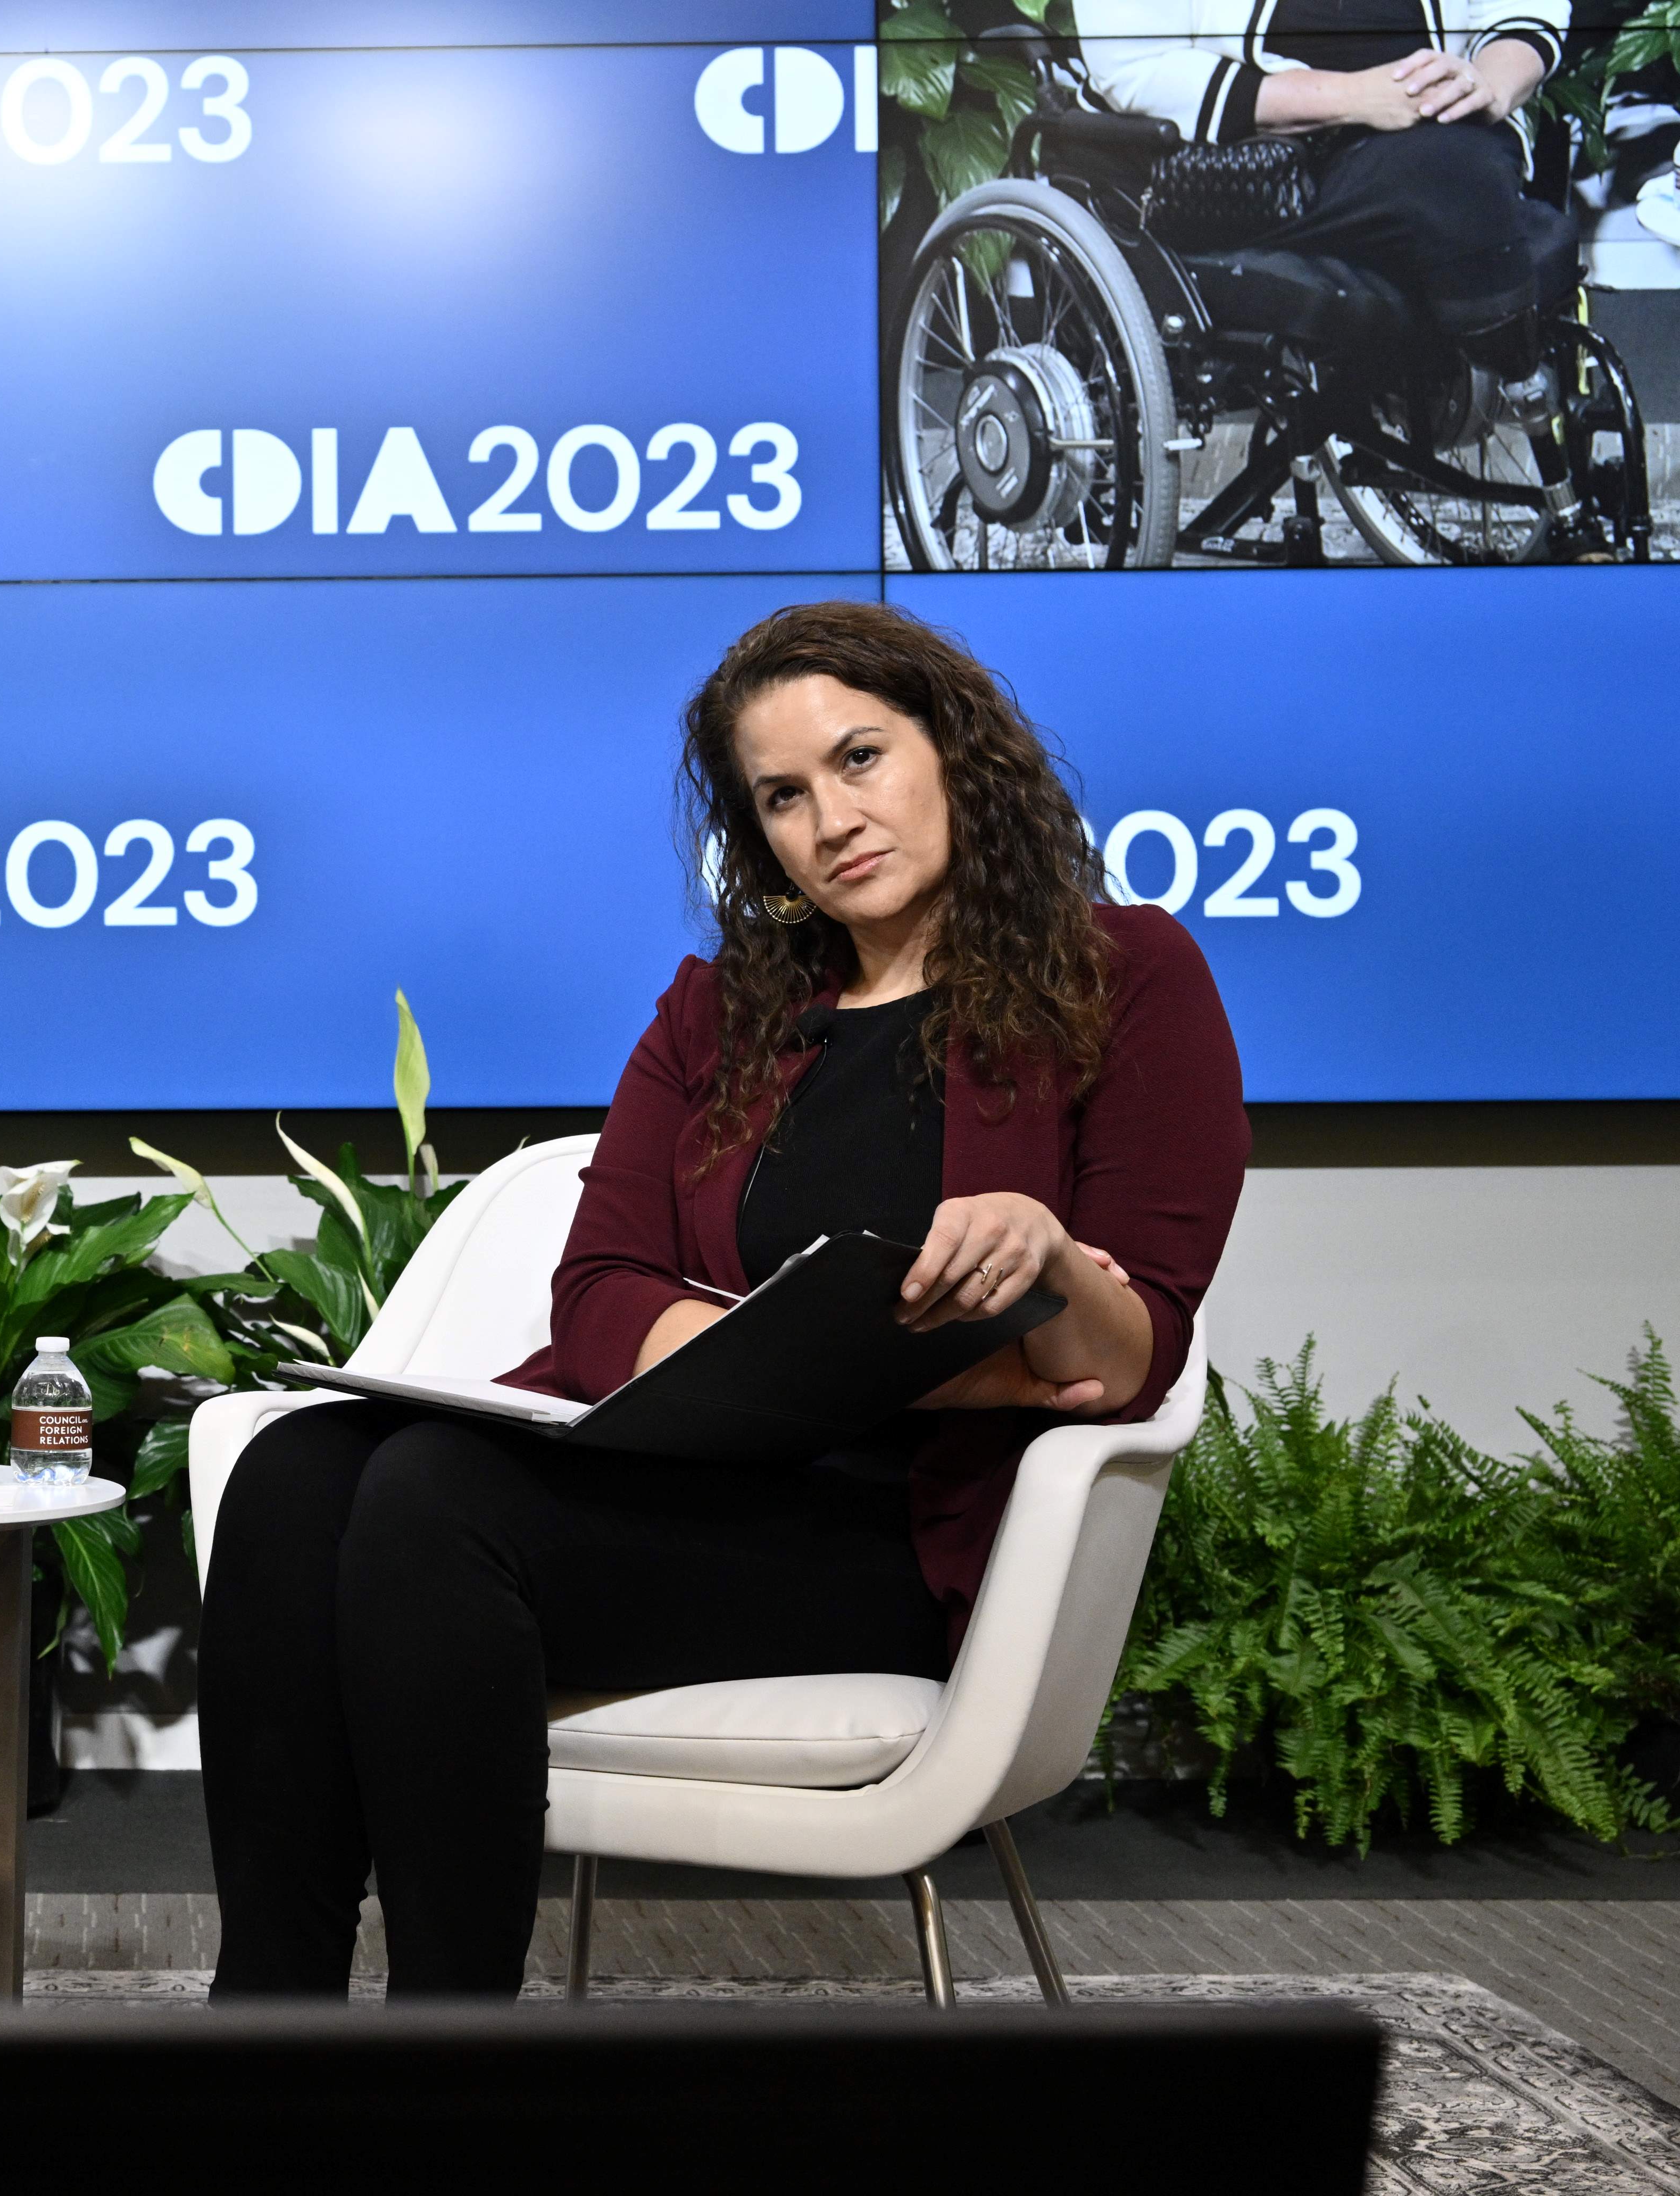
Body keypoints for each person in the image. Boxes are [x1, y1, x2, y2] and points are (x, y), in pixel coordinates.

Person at [197, 602, 1249, 1998]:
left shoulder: (1129, 977)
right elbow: (599, 1296)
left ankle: (440, 2063)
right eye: (785, 798)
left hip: (896, 1543)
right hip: (695, 1485)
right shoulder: (718, 1010)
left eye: (862, 758)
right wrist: (790, 1367)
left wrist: (1047, 1259)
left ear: (954, 749)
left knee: (435, 1495)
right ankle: (264, 2024)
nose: (834, 819)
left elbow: (1128, 1359)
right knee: (296, 1467)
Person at [1070, 1, 1588, 535]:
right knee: (1462, 190)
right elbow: (1133, 66)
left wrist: (1488, 83)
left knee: (1467, 185)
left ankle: (1506, 360)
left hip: (1438, 135)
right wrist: (1354, 98)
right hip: (1257, 169)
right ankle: (1559, 484)